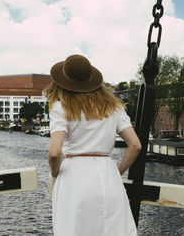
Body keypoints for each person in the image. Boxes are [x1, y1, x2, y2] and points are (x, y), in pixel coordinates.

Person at [46, 54, 142, 236]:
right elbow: (135, 145)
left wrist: (55, 172)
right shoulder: (114, 108)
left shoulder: (62, 108)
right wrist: (116, 171)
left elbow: (54, 153)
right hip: (108, 175)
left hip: (74, 177)